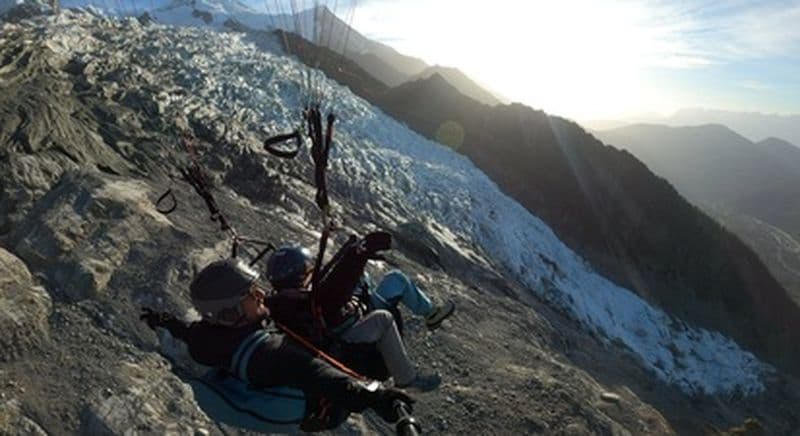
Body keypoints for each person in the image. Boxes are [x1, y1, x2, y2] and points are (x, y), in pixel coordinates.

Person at [139, 258, 414, 431]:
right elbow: (314, 372)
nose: (261, 294)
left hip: (282, 388)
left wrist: (163, 321)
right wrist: (375, 397)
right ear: (229, 312)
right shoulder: (267, 353)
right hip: (323, 407)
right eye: (250, 293)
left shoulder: (207, 336)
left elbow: (188, 332)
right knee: (378, 337)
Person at [264, 232, 455, 392]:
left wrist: (351, 257)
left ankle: (431, 314)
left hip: (350, 317)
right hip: (343, 340)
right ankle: (407, 379)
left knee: (395, 279)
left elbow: (334, 286)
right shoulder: (307, 303)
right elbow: (332, 296)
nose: (313, 271)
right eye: (308, 269)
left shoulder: (294, 297)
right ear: (298, 276)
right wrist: (357, 255)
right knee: (383, 319)